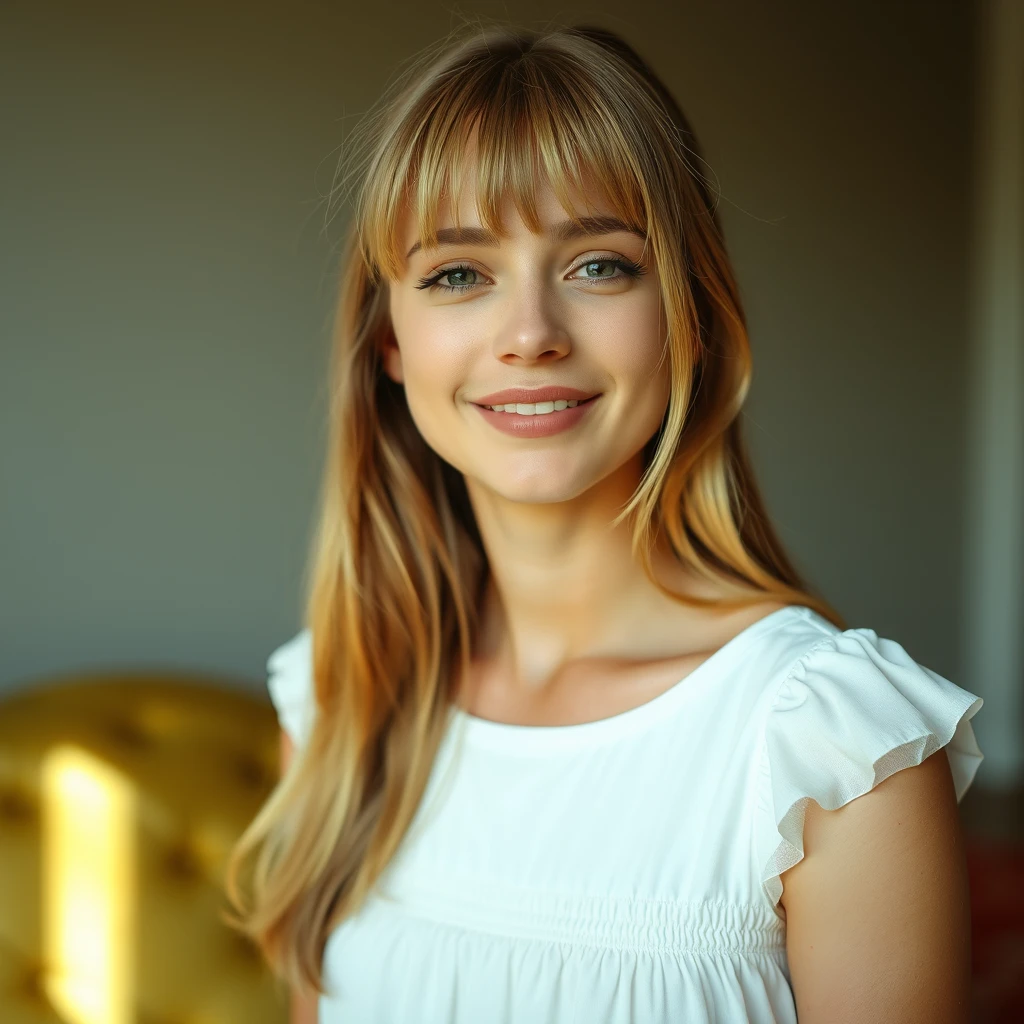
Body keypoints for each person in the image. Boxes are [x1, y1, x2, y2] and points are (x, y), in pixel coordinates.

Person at [225, 21, 984, 1024]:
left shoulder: (833, 748)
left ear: (691, 314)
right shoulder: (339, 702)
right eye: (459, 272)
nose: (530, 334)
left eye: (598, 265)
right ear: (389, 342)